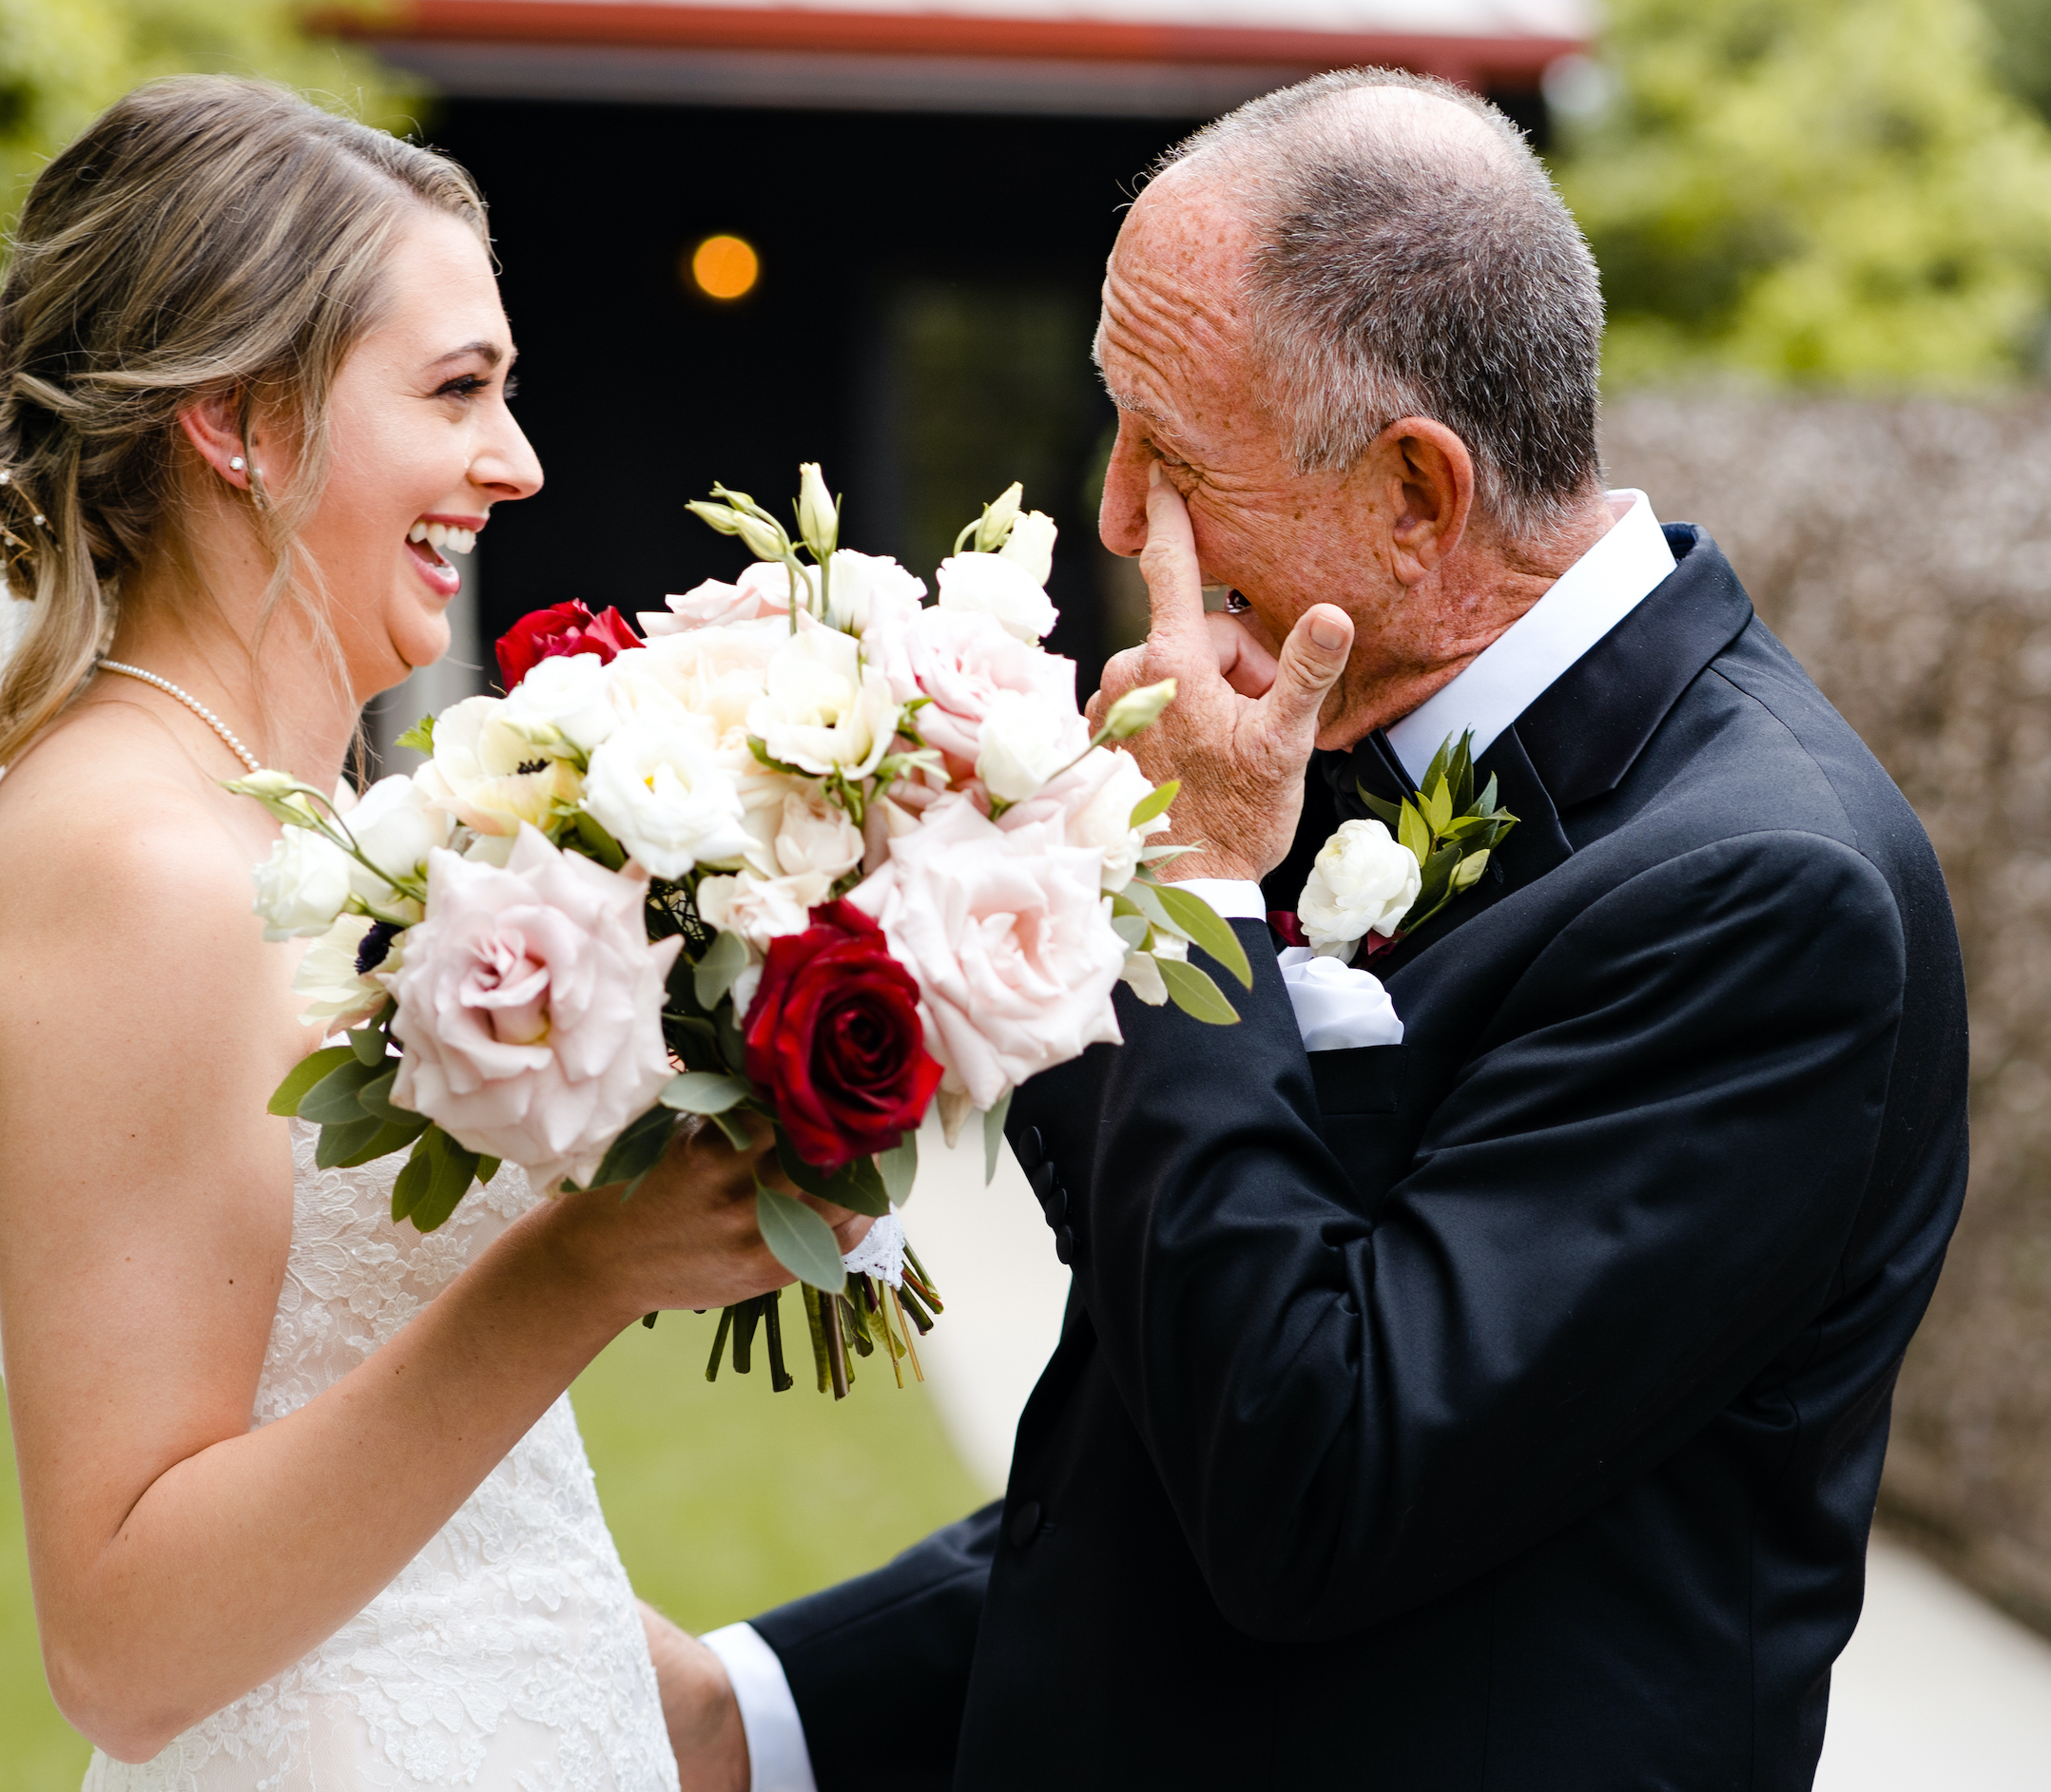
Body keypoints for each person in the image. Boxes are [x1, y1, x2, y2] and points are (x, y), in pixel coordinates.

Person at [652, 68, 1970, 1792]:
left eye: (1174, 458)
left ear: (1417, 495)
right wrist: (761, 1708)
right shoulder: (1329, 739)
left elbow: (1311, 1477)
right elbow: (1162, 1431)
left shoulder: (1771, 900)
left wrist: (1195, 892)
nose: (1122, 517)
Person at [0, 75, 862, 1791]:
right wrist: (582, 1268)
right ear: (240, 418)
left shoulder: (258, 829)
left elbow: (445, 1530)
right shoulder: (139, 872)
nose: (516, 461)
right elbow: (126, 1640)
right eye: (457, 390)